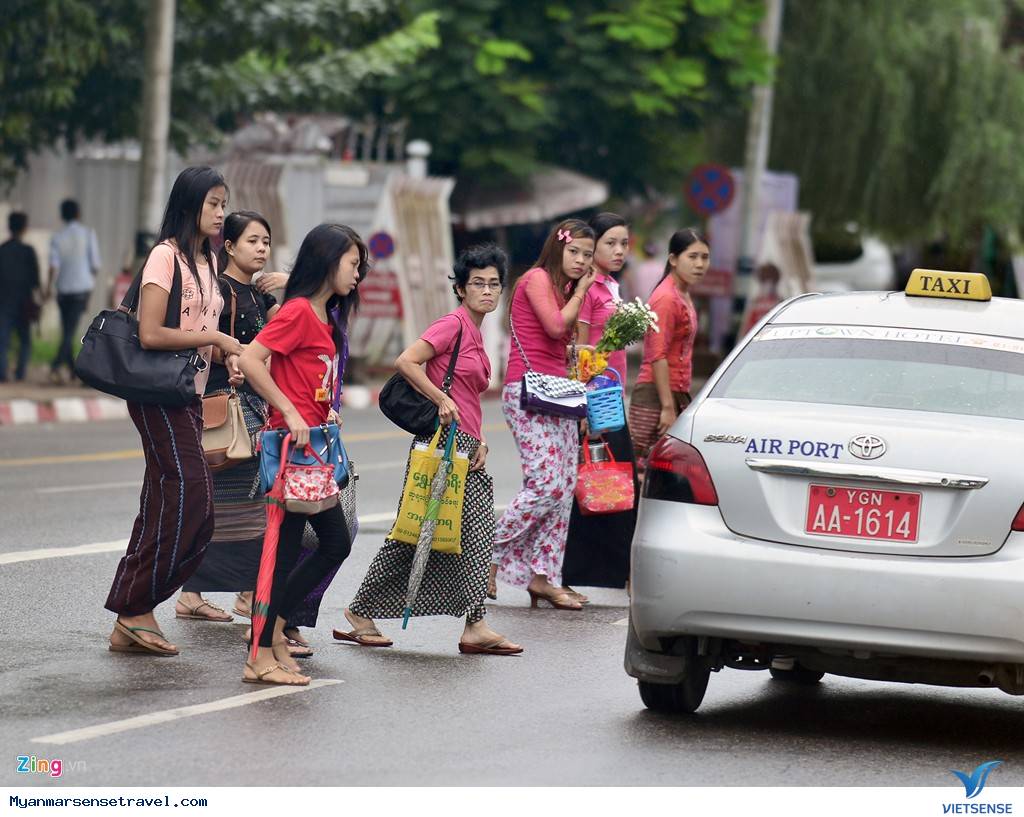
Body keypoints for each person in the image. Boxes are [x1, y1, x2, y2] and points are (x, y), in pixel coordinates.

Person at [341, 244, 523, 655]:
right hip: (442, 447)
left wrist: (480, 439)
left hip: (465, 446)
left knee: (458, 534)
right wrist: (439, 400)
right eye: (478, 284)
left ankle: (470, 622)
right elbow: (407, 361)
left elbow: (469, 396)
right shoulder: (453, 325)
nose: (488, 291)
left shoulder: (475, 331)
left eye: (495, 284)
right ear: (461, 288)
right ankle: (363, 611)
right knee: (421, 531)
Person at [106, 166, 242, 657]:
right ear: (189, 206)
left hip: (189, 395)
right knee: (192, 501)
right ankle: (134, 607)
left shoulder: (207, 263)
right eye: (213, 204)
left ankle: (132, 611)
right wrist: (214, 338)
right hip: (156, 392)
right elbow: (150, 334)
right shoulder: (165, 257)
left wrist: (228, 356)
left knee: (167, 502)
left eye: (224, 204)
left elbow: (205, 332)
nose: (221, 213)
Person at [237, 223, 366, 686]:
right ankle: (260, 652)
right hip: (294, 450)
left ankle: (270, 640)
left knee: (303, 547)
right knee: (309, 545)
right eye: (353, 264)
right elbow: (251, 359)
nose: (357, 274)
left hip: (315, 447)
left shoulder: (321, 316)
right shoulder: (296, 312)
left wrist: (322, 410)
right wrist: (290, 410)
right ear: (329, 262)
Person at [173, 211, 280, 625]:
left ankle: (246, 590)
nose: (261, 249)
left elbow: (285, 336)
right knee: (214, 503)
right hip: (222, 404)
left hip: (255, 405)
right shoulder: (216, 290)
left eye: (266, 242)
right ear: (229, 246)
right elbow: (199, 335)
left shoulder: (261, 297)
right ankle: (192, 593)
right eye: (252, 241)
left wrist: (287, 284)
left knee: (252, 503)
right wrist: (229, 354)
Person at [490, 218, 596, 610]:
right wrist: (583, 291)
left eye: (588, 255)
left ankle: (543, 576)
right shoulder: (535, 279)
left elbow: (564, 344)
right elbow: (555, 327)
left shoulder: (564, 288)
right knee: (545, 484)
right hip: (528, 391)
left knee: (565, 487)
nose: (582, 261)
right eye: (575, 252)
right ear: (557, 248)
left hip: (561, 394)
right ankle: (490, 554)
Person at [561, 212, 639, 593]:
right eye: (611, 243)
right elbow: (578, 349)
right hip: (595, 399)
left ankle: (612, 571)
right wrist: (581, 405)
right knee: (594, 485)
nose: (619, 250)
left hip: (612, 394)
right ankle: (571, 572)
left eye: (624, 243)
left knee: (615, 482)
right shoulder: (589, 290)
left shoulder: (610, 286)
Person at [628, 227, 709, 473]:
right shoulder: (666, 298)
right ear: (673, 260)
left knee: (666, 473)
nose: (699, 264)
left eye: (704, 257)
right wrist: (666, 407)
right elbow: (656, 354)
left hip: (675, 391)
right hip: (655, 395)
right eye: (692, 257)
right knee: (643, 472)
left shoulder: (682, 294)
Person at [47, 199, 101, 383]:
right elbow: (95, 265)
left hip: (62, 290)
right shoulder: (87, 234)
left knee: (67, 330)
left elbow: (53, 266)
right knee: (69, 331)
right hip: (81, 290)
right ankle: (57, 367)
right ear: (78, 213)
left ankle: (70, 370)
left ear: (62, 214)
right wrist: (89, 286)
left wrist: (48, 288)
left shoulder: (57, 237)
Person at [0, 212, 41, 382]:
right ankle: (20, 374)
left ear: (9, 227)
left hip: (3, 301)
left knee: (3, 340)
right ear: (24, 228)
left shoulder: (2, 250)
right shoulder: (28, 251)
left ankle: (2, 374)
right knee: (25, 340)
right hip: (24, 301)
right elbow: (35, 280)